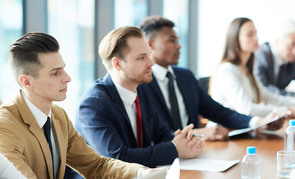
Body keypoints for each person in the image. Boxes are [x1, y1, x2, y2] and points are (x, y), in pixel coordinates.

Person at [0, 32, 150, 179]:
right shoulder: (2, 127)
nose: (68, 78)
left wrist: (141, 174)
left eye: (64, 69)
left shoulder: (58, 115)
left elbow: (95, 164)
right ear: (27, 82)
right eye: (55, 73)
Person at [138, 16, 285, 141]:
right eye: (171, 41)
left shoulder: (185, 76)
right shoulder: (140, 83)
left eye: (178, 40)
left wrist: (258, 123)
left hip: (196, 155)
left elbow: (219, 112)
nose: (179, 46)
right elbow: (150, 135)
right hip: (162, 161)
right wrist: (197, 133)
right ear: (150, 45)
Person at [75, 26, 203, 168]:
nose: (151, 63)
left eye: (149, 54)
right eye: (142, 58)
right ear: (117, 64)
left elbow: (162, 134)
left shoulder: (142, 90)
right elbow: (118, 158)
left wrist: (184, 141)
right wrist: (174, 148)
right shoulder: (94, 103)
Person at [210, 17, 295, 118]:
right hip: (225, 131)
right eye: (250, 35)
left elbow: (267, 95)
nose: (256, 38)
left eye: (256, 34)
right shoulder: (227, 70)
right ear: (235, 39)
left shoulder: (246, 69)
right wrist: (290, 111)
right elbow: (248, 109)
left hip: (245, 127)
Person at [254, 20, 295, 97]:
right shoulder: (259, 56)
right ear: (277, 41)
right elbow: (264, 90)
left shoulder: (294, 59)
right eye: (292, 44)